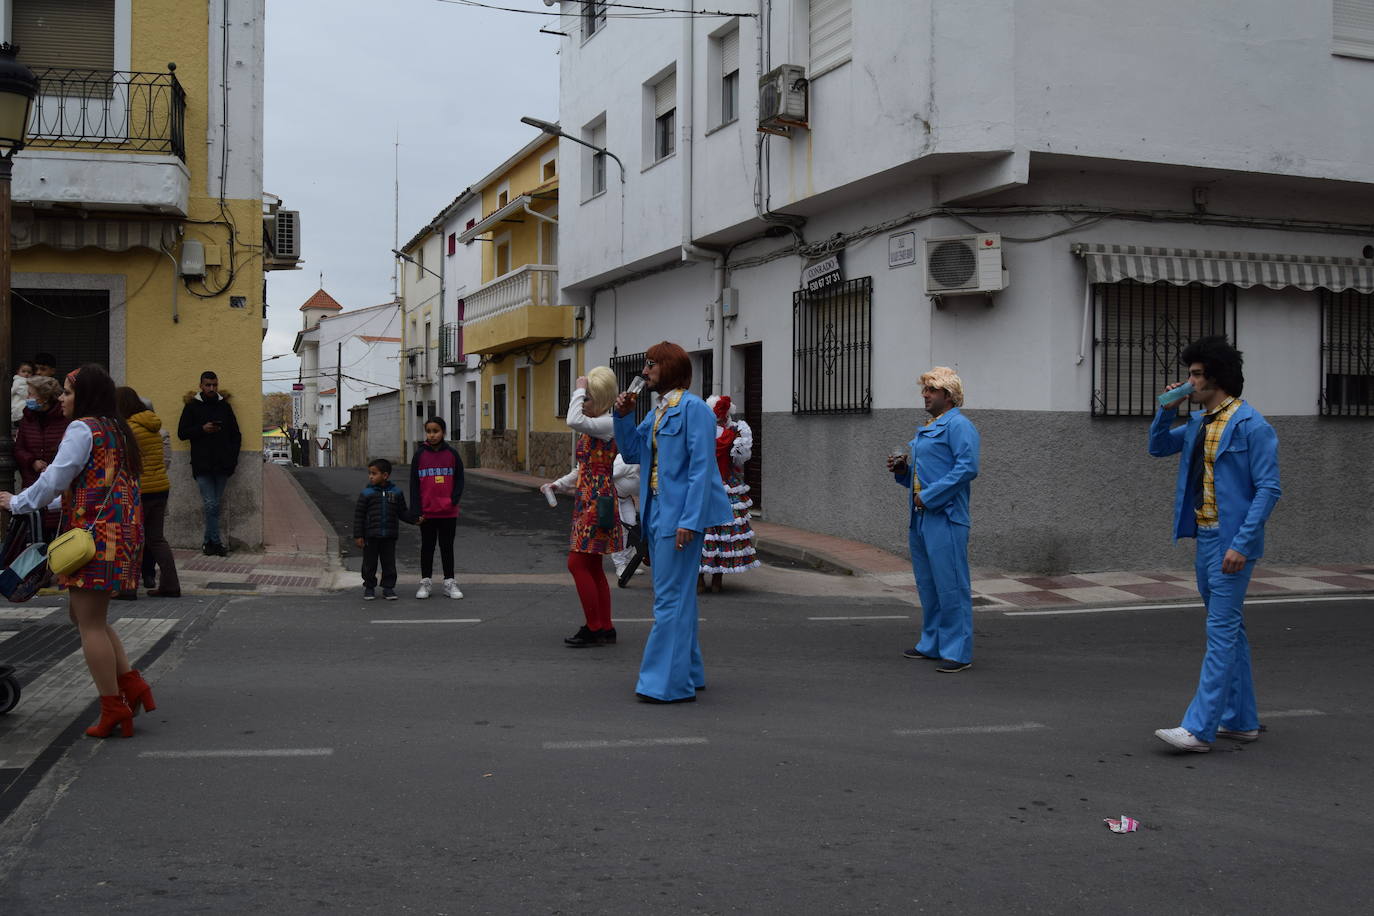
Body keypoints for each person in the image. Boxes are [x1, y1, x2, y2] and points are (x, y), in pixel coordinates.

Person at [0, 365, 148, 739]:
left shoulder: (83, 429)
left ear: (85, 396)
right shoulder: (117, 429)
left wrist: (18, 502)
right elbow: (89, 487)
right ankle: (130, 685)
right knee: (84, 617)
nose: (62, 398)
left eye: (67, 392)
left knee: (90, 624)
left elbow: (54, 478)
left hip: (93, 538)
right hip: (119, 533)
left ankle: (114, 706)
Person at [1149, 336, 1281, 753]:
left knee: (1221, 632)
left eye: (1195, 375)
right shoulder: (1198, 423)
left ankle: (1199, 728)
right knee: (1231, 630)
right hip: (1205, 538)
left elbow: (1268, 489)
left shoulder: (1252, 425)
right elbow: (1156, 446)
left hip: (1231, 543)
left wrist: (1241, 544)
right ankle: (1240, 721)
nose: (1189, 381)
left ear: (1216, 378)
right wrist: (1166, 407)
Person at [612, 342, 733, 703]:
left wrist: (690, 521)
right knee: (680, 599)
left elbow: (701, 469)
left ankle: (664, 684)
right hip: (656, 514)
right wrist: (623, 416)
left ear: (668, 367)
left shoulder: (694, 409)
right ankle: (688, 674)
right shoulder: (660, 411)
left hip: (678, 518)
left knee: (668, 600)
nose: (645, 371)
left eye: (651, 364)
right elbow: (632, 452)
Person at [888, 367, 980, 674]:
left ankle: (958, 651)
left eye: (930, 390)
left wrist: (929, 496)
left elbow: (967, 468)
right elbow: (922, 475)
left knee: (951, 585)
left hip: (947, 518)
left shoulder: (960, 426)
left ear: (947, 395)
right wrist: (903, 470)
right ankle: (932, 643)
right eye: (924, 389)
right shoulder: (930, 426)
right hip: (921, 518)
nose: (924, 395)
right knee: (928, 585)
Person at [544, 367, 622, 647]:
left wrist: (577, 387)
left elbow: (572, 419)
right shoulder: (596, 425)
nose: (583, 402)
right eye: (583, 397)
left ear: (600, 399)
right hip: (590, 499)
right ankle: (605, 626)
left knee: (577, 564)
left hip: (595, 502)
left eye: (588, 398)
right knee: (592, 566)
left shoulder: (606, 423)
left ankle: (594, 627)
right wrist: (558, 484)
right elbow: (582, 469)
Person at [117, 387, 180, 598]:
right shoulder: (154, 426)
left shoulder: (129, 429)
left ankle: (128, 588)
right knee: (157, 539)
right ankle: (171, 584)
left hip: (140, 490)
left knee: (133, 539)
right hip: (160, 488)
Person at [698, 395, 759, 592]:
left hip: (706, 484)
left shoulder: (702, 432)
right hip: (725, 487)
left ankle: (702, 578)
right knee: (722, 533)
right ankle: (716, 579)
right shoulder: (736, 432)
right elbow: (741, 460)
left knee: (704, 532)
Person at [177, 370, 241, 556]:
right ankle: (216, 543)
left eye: (214, 385)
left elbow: (236, 435)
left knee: (214, 505)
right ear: (201, 386)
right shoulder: (192, 406)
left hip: (223, 464)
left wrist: (233, 460)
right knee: (211, 504)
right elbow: (182, 433)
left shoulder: (225, 406)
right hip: (202, 464)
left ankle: (208, 543)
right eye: (208, 385)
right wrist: (202, 429)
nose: (211, 388)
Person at [408, 416, 464, 599]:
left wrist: (453, 500)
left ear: (443, 432)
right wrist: (416, 511)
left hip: (448, 512)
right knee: (427, 547)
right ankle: (425, 582)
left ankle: (449, 582)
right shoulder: (420, 455)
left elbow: (459, 480)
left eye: (436, 431)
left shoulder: (452, 455)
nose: (432, 435)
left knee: (447, 547)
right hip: (427, 512)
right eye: (429, 431)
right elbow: (414, 485)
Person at [14, 374, 71, 539]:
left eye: (31, 394)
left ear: (44, 398)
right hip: (32, 484)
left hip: (58, 490)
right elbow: (19, 448)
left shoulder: (65, 420)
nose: (27, 398)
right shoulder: (27, 418)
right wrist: (32, 461)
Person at [354, 458, 414, 601]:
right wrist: (358, 535)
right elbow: (359, 516)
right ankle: (369, 587)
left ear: (385, 475)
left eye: (374, 474)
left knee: (389, 563)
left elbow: (402, 512)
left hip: (389, 536)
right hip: (370, 536)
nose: (370, 476)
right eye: (370, 473)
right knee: (369, 563)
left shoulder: (396, 492)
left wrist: (415, 519)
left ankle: (388, 588)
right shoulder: (366, 493)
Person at [610, 454, 644, 586]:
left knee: (632, 527)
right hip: (614, 498)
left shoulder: (647, 467)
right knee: (620, 530)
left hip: (626, 498)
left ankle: (628, 563)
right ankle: (620, 565)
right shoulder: (626, 460)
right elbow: (608, 475)